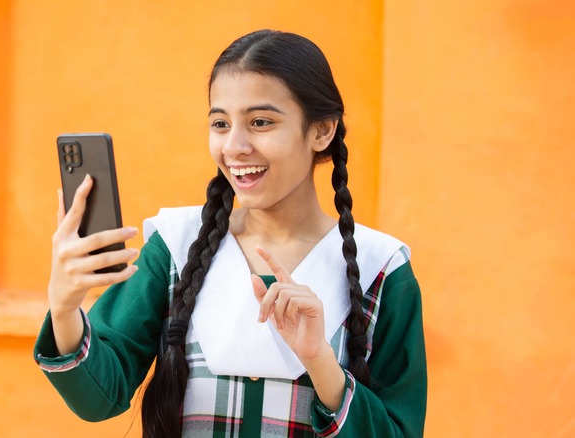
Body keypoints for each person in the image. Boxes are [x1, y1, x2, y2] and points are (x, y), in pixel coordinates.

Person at [34, 29, 427, 437]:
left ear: (322, 131)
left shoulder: (380, 268)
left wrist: (321, 362)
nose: (234, 146)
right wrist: (64, 308)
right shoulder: (176, 246)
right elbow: (98, 399)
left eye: (260, 122)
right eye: (220, 123)